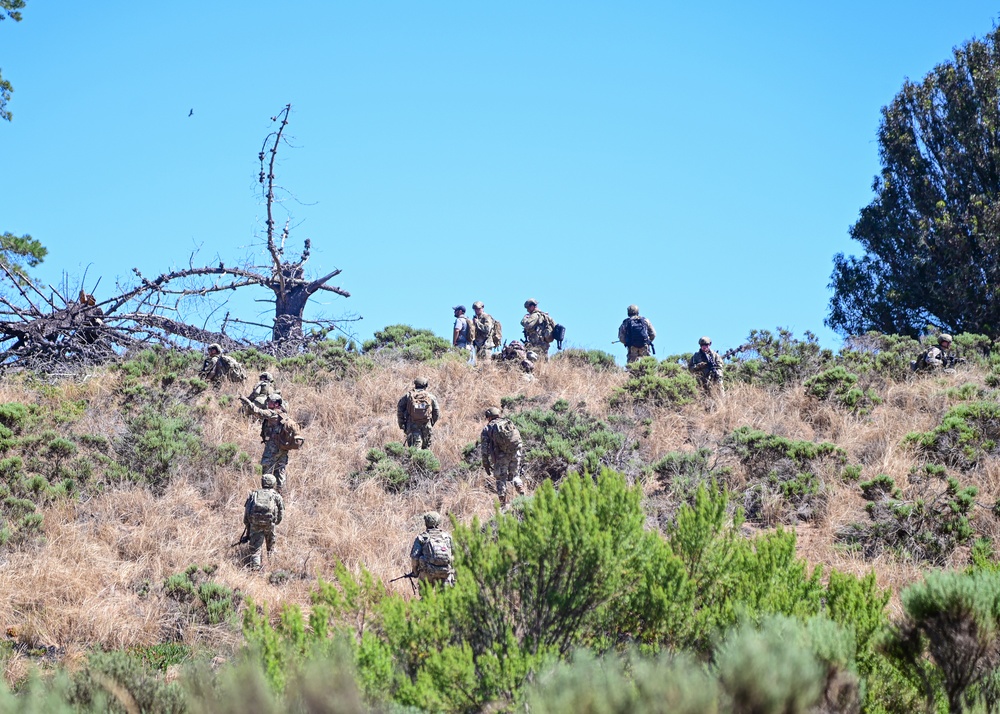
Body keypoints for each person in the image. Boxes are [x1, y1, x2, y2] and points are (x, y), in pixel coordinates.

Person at [239, 392, 301, 492]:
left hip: (272, 447)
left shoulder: (272, 413)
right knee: (280, 471)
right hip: (282, 447)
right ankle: (280, 493)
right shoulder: (283, 414)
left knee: (267, 469)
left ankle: (266, 493)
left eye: (270, 402)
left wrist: (246, 401)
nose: (268, 403)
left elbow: (257, 411)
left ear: (277, 404)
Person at [480, 407, 526, 506]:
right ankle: (521, 490)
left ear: (489, 417)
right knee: (515, 475)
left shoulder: (487, 428)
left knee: (501, 479)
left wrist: (486, 463)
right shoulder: (508, 423)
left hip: (501, 457)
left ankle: (503, 504)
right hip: (515, 453)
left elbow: (484, 449)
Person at [243, 473, 284, 571]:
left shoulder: (254, 494)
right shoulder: (276, 495)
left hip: (255, 525)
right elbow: (281, 512)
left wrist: (248, 524)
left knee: (255, 550)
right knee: (271, 548)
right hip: (270, 525)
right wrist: (275, 522)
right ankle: (272, 568)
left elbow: (247, 512)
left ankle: (255, 570)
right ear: (273, 483)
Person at [409, 511, 455, 587]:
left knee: (426, 596)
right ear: (438, 522)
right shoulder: (447, 537)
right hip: (445, 573)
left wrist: (415, 572)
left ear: (426, 522)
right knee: (446, 596)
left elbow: (414, 558)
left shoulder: (422, 538)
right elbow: (456, 555)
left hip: (427, 573)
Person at [397, 377, 441, 449]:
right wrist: (431, 423)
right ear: (426, 385)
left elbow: (400, 411)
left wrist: (402, 425)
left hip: (411, 426)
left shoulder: (408, 396)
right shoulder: (431, 397)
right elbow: (436, 412)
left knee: (414, 450)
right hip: (426, 427)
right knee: (426, 450)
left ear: (415, 385)